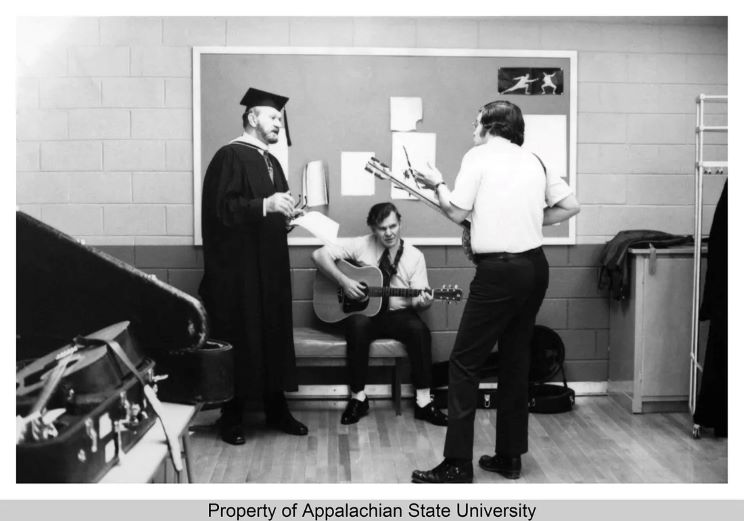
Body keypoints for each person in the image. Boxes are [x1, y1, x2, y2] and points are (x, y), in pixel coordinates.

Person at [410, 100, 580, 482]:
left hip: (499, 273)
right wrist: (532, 219)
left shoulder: (479, 156)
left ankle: (457, 462)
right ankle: (509, 457)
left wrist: (436, 183)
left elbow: (455, 211)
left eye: (476, 123)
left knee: (464, 363)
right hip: (535, 268)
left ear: (490, 125)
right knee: (515, 361)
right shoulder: (535, 159)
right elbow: (571, 206)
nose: (473, 130)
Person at [199, 87, 307, 445]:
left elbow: (274, 208)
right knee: (240, 336)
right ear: (251, 118)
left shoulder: (272, 162)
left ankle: (277, 408)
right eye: (273, 117)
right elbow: (221, 211)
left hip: (272, 269)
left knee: (274, 333)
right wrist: (265, 205)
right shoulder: (229, 156)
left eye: (280, 118)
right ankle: (232, 415)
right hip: (239, 275)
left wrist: (286, 216)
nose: (278, 123)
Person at [311, 202, 448, 426]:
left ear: (400, 223)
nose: (389, 233)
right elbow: (318, 255)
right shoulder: (360, 244)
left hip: (397, 314)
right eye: (382, 228)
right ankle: (358, 398)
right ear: (373, 228)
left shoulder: (414, 256)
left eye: (393, 226)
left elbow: (418, 302)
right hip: (366, 315)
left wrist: (423, 302)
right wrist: (344, 282)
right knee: (357, 326)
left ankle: (424, 401)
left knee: (419, 330)